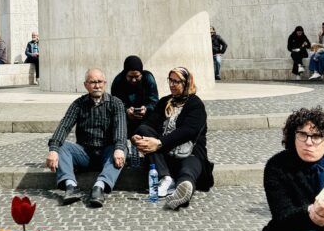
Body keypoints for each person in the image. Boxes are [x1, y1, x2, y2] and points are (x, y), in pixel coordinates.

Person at [131, 67, 214, 209]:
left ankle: (183, 190)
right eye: (170, 80)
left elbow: (188, 131)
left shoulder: (195, 104)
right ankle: (166, 178)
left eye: (177, 81)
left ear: (186, 83)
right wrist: (136, 136)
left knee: (188, 170)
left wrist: (160, 143)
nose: (172, 84)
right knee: (144, 130)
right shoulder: (164, 102)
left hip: (189, 152)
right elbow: (148, 123)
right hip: (165, 155)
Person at [46, 68, 126, 208]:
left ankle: (99, 187)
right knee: (62, 147)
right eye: (92, 82)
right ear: (85, 85)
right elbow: (64, 126)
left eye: (100, 82)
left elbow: (121, 129)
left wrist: (119, 148)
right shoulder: (78, 104)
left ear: (105, 83)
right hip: (85, 153)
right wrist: (53, 149)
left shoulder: (116, 103)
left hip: (107, 153)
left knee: (122, 148)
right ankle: (71, 187)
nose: (97, 86)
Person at [110, 55, 159, 137]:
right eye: (130, 77)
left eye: (137, 76)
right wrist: (126, 111)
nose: (133, 80)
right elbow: (115, 104)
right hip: (126, 119)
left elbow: (154, 101)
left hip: (147, 117)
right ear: (125, 74)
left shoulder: (148, 78)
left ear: (141, 74)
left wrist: (146, 108)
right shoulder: (118, 81)